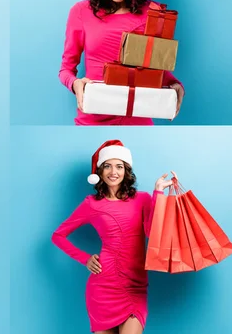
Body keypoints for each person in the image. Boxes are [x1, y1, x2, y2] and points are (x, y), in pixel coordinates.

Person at [51, 140, 175, 334]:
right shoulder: (91, 204)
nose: (113, 172)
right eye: (107, 166)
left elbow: (153, 233)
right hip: (102, 288)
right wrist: (85, 259)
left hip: (135, 286)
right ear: (100, 171)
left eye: (119, 166)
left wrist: (158, 192)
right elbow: (58, 236)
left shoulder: (142, 199)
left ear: (126, 170)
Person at [58, 0, 185, 126]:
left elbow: (156, 66)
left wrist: (175, 84)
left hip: (139, 117)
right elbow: (66, 70)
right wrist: (75, 84)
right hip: (93, 117)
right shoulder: (81, 12)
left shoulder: (153, 12)